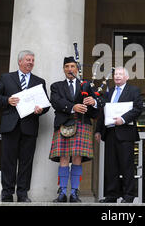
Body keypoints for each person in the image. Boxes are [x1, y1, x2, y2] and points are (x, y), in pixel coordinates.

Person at [0, 50, 49, 202]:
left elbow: (46, 105)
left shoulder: (39, 81)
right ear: (20, 61)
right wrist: (7, 100)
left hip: (29, 127)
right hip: (10, 126)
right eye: (28, 60)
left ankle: (22, 193)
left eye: (32, 60)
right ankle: (7, 193)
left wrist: (41, 110)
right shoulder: (6, 77)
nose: (30, 62)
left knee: (26, 162)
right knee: (8, 161)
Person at [49, 57, 99, 203]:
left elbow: (96, 106)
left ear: (77, 69)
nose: (70, 69)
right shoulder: (56, 86)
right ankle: (63, 192)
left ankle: (75, 192)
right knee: (64, 157)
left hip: (82, 123)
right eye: (67, 66)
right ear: (64, 69)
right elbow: (56, 102)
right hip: (64, 123)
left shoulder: (87, 85)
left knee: (77, 157)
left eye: (72, 66)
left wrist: (93, 102)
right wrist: (73, 107)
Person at [95, 67, 143, 203]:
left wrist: (123, 119)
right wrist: (98, 130)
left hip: (126, 134)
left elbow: (138, 108)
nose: (117, 76)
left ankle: (128, 196)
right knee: (111, 166)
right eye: (115, 74)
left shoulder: (133, 90)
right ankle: (111, 196)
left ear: (126, 77)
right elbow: (102, 111)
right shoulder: (108, 92)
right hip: (110, 133)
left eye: (120, 74)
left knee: (126, 166)